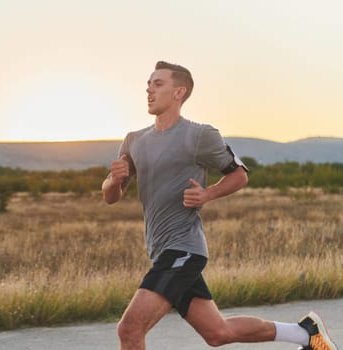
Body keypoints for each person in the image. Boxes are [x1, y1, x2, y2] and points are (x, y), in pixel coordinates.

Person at [101, 61, 338, 350]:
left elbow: (239, 175)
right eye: (148, 84)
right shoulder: (134, 141)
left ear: (179, 92)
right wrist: (114, 179)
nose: (149, 89)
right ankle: (306, 334)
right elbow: (111, 196)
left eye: (157, 83)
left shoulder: (199, 135)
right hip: (161, 251)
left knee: (130, 329)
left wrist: (207, 195)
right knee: (218, 333)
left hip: (184, 249)